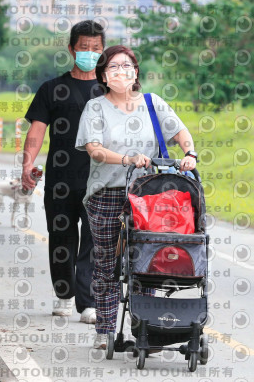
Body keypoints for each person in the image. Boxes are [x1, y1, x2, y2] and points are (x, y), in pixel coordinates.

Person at [75, 44, 197, 349]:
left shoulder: (152, 103)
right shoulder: (96, 107)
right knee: (107, 263)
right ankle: (105, 331)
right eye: (114, 67)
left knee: (148, 262)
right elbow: (95, 150)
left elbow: (180, 132)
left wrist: (190, 153)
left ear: (136, 71)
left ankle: (146, 329)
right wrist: (128, 159)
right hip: (107, 194)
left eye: (127, 66)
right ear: (103, 74)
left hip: (148, 196)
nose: (121, 72)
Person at [22, 20, 104, 323]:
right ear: (72, 49)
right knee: (61, 238)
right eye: (84, 47)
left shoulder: (109, 91)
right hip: (60, 179)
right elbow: (36, 131)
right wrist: (27, 165)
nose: (90, 53)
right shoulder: (52, 88)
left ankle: (89, 302)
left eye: (96, 48)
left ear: (103, 50)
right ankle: (64, 294)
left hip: (100, 181)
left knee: (94, 240)